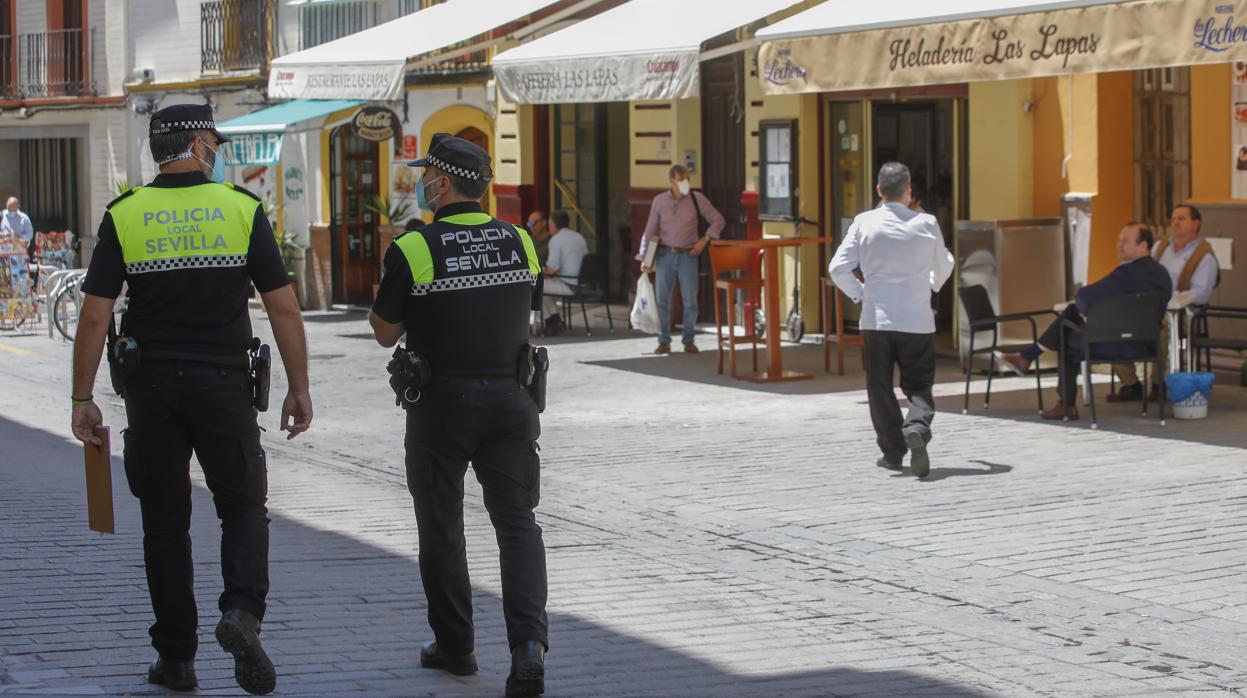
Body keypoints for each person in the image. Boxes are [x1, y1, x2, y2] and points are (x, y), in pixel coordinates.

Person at [68, 104, 313, 695]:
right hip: (225, 385)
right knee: (243, 505)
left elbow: (96, 314)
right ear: (202, 143)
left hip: (151, 389)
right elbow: (282, 306)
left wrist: (82, 397)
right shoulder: (240, 209)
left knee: (165, 521)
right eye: (215, 142)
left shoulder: (125, 215)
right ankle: (241, 612)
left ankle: (176, 660)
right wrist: (300, 386)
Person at [369, 133, 549, 698]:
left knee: (442, 528)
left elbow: (383, 331)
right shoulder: (522, 241)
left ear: (443, 183)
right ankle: (527, 648)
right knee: (517, 525)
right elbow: (530, 308)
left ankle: (457, 646)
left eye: (427, 174)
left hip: (440, 407)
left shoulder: (414, 248)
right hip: (511, 401)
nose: (421, 181)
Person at [829, 162, 954, 479]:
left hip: (876, 318)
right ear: (909, 191)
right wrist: (929, 283)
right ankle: (916, 426)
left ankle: (893, 451)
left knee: (879, 387)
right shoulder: (927, 223)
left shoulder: (864, 222)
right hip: (916, 318)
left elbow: (837, 268)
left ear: (878, 191)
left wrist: (860, 293)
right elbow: (943, 265)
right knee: (919, 384)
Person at [996, 223, 1172, 420]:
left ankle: (1063, 401)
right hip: (1148, 345)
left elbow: (1084, 296)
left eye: (1125, 241)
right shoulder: (1163, 275)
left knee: (1067, 332)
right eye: (1118, 240)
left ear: (1143, 246)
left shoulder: (1125, 274)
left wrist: (1087, 312)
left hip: (1116, 346)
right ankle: (1027, 357)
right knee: (1070, 320)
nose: (1118, 245)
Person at [1109, 204, 1219, 402]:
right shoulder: (1159, 248)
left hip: (1183, 314)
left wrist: (1168, 295)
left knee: (1162, 325)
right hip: (1146, 307)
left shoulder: (1204, 256)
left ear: (1196, 224)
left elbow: (1200, 295)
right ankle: (1131, 384)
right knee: (1112, 320)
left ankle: (1159, 384)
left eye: (1181, 218)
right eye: (1173, 218)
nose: (1175, 222)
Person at [637, 164, 725, 354]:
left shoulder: (697, 199)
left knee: (690, 299)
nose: (685, 184)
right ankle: (664, 340)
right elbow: (649, 230)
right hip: (665, 255)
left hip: (688, 255)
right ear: (671, 181)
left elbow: (718, 219)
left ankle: (688, 339)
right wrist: (644, 256)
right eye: (680, 180)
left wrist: (704, 240)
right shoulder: (659, 201)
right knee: (663, 299)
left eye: (687, 179)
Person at [541, 210, 588, 334]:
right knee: (543, 286)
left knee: (534, 285)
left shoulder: (556, 240)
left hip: (569, 284)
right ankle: (555, 320)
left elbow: (551, 270)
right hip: (582, 282)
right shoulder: (579, 237)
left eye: (550, 224)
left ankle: (550, 321)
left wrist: (541, 272)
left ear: (554, 224)